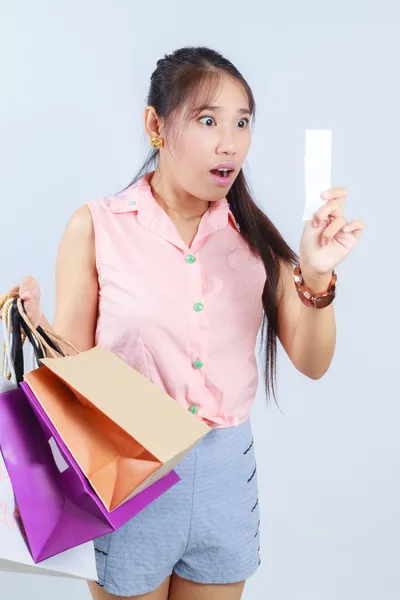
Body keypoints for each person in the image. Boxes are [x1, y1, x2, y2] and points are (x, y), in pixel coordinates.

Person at [2, 46, 364, 600]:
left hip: (225, 481)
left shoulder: (258, 242)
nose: (230, 141)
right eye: (207, 119)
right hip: (128, 475)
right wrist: (36, 325)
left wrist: (315, 274)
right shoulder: (97, 225)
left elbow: (313, 364)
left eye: (242, 122)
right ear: (156, 124)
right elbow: (73, 373)